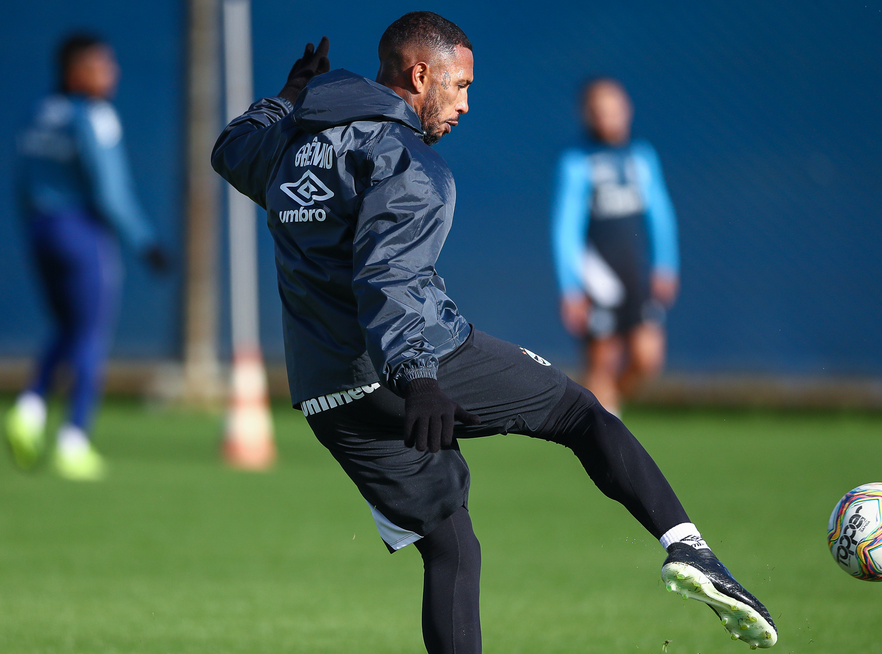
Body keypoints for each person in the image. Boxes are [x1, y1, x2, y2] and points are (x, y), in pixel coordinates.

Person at [212, 12, 776, 652]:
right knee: (579, 414)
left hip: (326, 393)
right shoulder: (408, 164)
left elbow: (231, 150)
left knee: (450, 542)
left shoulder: (292, 148)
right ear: (420, 74)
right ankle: (690, 551)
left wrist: (286, 100)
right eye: (461, 86)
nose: (466, 104)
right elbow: (389, 278)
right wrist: (420, 378)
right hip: (410, 362)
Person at [4, 32, 168, 481]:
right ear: (76, 70)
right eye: (100, 65)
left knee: (67, 327)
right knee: (92, 334)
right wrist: (145, 242)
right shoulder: (94, 114)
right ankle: (73, 438)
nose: (110, 73)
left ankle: (30, 408)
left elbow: (21, 181)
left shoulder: (39, 113)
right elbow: (110, 191)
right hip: (82, 233)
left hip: (40, 232)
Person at [551, 79, 679, 413]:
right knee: (602, 360)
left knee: (648, 358)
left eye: (614, 108)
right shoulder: (577, 162)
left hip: (635, 271)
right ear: (587, 115)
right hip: (599, 275)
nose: (608, 117)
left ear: (627, 109)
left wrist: (666, 264)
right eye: (599, 110)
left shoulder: (641, 157)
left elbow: (661, 213)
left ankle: (604, 413)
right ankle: (604, 427)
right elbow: (566, 228)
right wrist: (571, 287)